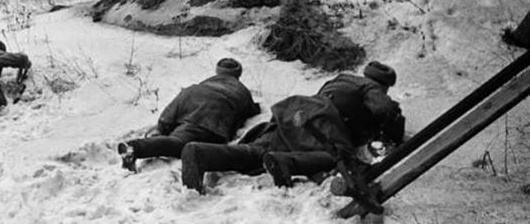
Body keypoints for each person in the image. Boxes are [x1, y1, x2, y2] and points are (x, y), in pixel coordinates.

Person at [180, 61, 404, 194]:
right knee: (338, 157)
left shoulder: (342, 78)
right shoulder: (371, 88)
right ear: (384, 84)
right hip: (324, 123)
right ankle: (286, 162)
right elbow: (384, 109)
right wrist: (394, 129)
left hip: (295, 112)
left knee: (258, 151)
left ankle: (202, 153)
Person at [117, 58, 260, 172]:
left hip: (191, 122)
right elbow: (252, 111)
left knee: (177, 141)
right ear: (238, 74)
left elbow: (171, 112)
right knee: (183, 146)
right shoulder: (242, 91)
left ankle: (134, 148)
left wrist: (162, 127)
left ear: (217, 71)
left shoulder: (196, 88)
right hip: (214, 129)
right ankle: (134, 148)